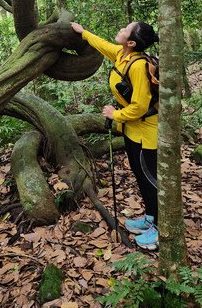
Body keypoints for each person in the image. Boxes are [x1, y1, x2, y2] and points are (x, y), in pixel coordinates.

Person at [71, 20, 159, 250]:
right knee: (141, 176)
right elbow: (102, 45)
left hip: (146, 133)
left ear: (131, 42)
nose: (120, 29)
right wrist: (83, 32)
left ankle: (160, 228)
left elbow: (140, 106)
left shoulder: (138, 66)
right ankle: (150, 218)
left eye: (126, 29)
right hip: (132, 130)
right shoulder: (123, 54)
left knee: (150, 179)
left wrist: (116, 113)